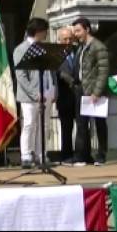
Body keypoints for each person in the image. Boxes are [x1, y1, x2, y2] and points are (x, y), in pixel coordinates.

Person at [13, 17, 55, 168]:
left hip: (46, 92)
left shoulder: (44, 48)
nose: (46, 34)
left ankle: (41, 154)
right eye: (44, 31)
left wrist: (52, 88)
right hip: (29, 96)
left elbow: (51, 69)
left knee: (44, 125)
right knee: (29, 124)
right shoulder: (21, 49)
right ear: (38, 31)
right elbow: (21, 76)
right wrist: (34, 93)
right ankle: (26, 155)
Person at [70, 17, 109, 166]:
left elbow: (103, 70)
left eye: (79, 30)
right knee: (81, 124)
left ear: (87, 29)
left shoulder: (98, 47)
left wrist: (97, 92)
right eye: (75, 31)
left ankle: (101, 154)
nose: (77, 34)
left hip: (94, 89)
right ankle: (82, 155)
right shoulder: (80, 47)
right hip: (81, 88)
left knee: (99, 123)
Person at [55, 25, 77, 163]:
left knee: (82, 128)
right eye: (65, 39)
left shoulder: (78, 51)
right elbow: (55, 72)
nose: (68, 42)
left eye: (70, 39)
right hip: (64, 96)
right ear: (59, 40)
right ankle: (66, 155)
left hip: (79, 95)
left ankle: (81, 154)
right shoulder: (55, 54)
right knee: (66, 128)